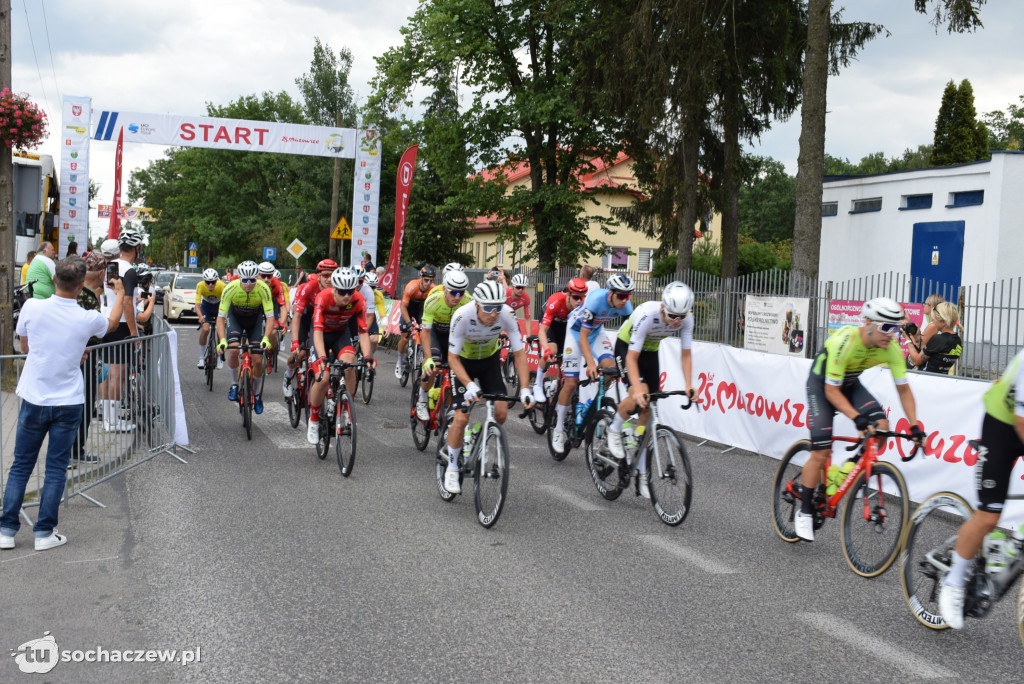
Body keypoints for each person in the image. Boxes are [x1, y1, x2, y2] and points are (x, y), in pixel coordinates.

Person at [0, 257, 125, 552]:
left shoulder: (31, 306)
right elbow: (111, 324)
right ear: (81, 284)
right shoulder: (86, 317)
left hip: (34, 396)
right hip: (68, 401)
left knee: (21, 464)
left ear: (55, 279)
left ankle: (6, 530)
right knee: (56, 467)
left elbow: (27, 347)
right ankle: (44, 532)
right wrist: (120, 293)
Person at [794, 297, 926, 542]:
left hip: (851, 384)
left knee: (882, 429)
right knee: (821, 452)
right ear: (868, 324)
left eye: (895, 328)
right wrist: (856, 418)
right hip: (822, 385)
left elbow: (904, 390)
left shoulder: (891, 350)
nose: (891, 334)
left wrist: (915, 425)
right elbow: (832, 392)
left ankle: (845, 472)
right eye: (886, 327)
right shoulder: (845, 341)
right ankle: (804, 512)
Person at [937, 347, 1024, 629]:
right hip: (1004, 425)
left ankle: (1009, 546)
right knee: (988, 516)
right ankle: (953, 583)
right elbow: (1021, 422)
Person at [441, 280, 533, 494]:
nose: (494, 313)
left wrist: (526, 389)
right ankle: (452, 469)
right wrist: (469, 384)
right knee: (462, 416)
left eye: (498, 307)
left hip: (489, 362)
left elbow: (519, 353)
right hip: (463, 363)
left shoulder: (507, 315)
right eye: (489, 308)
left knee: (501, 412)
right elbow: (452, 358)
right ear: (477, 305)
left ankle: (476, 435)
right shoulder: (462, 316)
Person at [607, 282, 697, 497]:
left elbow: (686, 354)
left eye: (681, 317)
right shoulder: (647, 314)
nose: (676, 322)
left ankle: (640, 471)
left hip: (650, 352)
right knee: (640, 395)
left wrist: (688, 385)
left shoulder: (687, 319)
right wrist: (636, 388)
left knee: (650, 408)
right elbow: (631, 357)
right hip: (627, 347)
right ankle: (614, 429)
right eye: (672, 316)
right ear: (663, 308)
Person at [550, 273, 635, 454]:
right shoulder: (596, 300)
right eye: (620, 295)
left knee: (610, 370)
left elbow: (631, 337)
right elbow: (582, 337)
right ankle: (558, 429)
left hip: (596, 332)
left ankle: (587, 407)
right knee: (571, 383)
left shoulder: (627, 306)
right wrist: (590, 363)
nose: (624, 300)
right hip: (576, 332)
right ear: (611, 293)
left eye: (628, 296)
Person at [305, 268, 375, 445]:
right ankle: (313, 420)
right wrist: (321, 357)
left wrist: (367, 356)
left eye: (350, 292)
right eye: (342, 292)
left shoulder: (358, 300)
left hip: (340, 334)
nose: (346, 296)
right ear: (334, 289)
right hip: (322, 334)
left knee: (350, 366)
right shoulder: (323, 298)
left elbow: (363, 331)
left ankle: (345, 408)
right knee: (323, 377)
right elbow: (318, 332)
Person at [70, 251, 120, 466]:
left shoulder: (78, 292)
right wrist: (120, 293)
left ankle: (71, 450)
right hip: (84, 358)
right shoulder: (88, 297)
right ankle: (74, 450)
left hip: (74, 356)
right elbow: (110, 326)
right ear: (101, 273)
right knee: (84, 403)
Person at [216, 260, 276, 414]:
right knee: (234, 350)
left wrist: (266, 338)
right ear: (239, 278)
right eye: (245, 280)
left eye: (252, 280)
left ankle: (257, 395)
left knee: (257, 359)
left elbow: (270, 317)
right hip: (235, 319)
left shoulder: (263, 289)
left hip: (254, 321)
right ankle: (234, 385)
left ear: (257, 278)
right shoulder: (230, 289)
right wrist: (222, 340)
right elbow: (220, 317)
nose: (249, 283)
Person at [414, 269, 472, 420]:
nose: (458, 297)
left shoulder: (468, 301)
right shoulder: (433, 300)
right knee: (434, 366)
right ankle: (422, 399)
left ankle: (448, 410)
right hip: (434, 332)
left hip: (453, 335)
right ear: (445, 289)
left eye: (461, 292)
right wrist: (428, 359)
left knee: (456, 371)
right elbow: (425, 332)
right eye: (453, 292)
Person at [283, 259, 336, 398]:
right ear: (318, 275)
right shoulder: (308, 288)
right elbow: (297, 317)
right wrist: (295, 342)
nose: (329, 279)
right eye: (325, 275)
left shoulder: (338, 289)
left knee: (328, 354)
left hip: (323, 323)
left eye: (332, 275)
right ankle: (288, 376)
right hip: (305, 320)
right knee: (299, 354)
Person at [530, 277, 588, 403]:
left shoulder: (584, 306)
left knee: (566, 357)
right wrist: (546, 351)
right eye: (576, 297)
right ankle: (538, 384)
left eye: (582, 297)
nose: (579, 301)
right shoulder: (555, 301)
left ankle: (557, 386)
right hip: (550, 324)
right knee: (553, 349)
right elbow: (542, 331)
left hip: (565, 325)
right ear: (568, 295)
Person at [396, 266, 435, 379]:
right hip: (408, 309)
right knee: (405, 338)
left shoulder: (433, 289)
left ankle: (421, 355)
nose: (428, 283)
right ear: (421, 278)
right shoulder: (411, 287)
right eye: (426, 280)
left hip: (420, 310)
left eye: (431, 280)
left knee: (425, 331)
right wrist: (409, 323)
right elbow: (403, 307)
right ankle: (399, 362)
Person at [907, 301, 962, 374]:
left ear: (943, 322)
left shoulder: (938, 339)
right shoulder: (958, 340)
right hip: (942, 378)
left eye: (935, 319)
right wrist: (917, 338)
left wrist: (908, 340)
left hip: (927, 378)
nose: (933, 322)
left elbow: (917, 361)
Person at [195, 268, 226, 369]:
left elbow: (227, 304)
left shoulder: (222, 286)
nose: (210, 285)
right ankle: (201, 358)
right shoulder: (200, 286)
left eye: (213, 282)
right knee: (205, 329)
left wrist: (225, 316)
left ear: (217, 281)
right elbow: (197, 305)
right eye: (208, 282)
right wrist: (201, 317)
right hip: (206, 306)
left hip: (219, 306)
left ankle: (220, 357)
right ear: (204, 281)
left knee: (219, 331)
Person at [257, 261, 289, 356]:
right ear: (258, 275)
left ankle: (271, 352)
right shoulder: (254, 283)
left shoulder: (277, 284)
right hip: (257, 305)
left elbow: (283, 307)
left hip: (271, 305)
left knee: (274, 331)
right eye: (263, 276)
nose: (266, 279)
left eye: (269, 276)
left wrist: (282, 323)